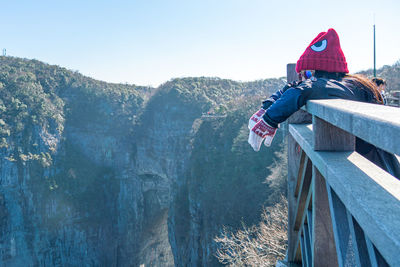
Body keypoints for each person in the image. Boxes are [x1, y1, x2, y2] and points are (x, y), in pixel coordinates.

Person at [248, 28, 400, 179]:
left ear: (324, 71)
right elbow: (295, 86)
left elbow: (305, 89)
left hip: (377, 168)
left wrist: (269, 119)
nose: (304, 79)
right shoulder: (346, 84)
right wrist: (266, 107)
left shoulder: (346, 86)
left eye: (307, 73)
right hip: (362, 158)